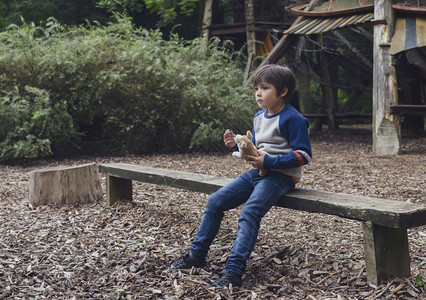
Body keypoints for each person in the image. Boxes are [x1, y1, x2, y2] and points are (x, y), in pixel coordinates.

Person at [170, 64, 312, 289]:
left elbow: (304, 155)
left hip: (280, 178)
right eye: (256, 88)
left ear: (283, 91)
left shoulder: (293, 119)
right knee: (215, 202)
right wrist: (235, 143)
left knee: (249, 213)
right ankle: (196, 255)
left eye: (265, 88)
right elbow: (254, 147)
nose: (258, 93)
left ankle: (233, 272)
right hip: (256, 174)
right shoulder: (259, 116)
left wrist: (270, 161)